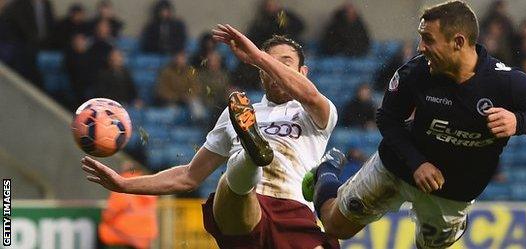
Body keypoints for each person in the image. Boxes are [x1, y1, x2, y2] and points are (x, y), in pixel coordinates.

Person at [301, 1, 526, 248]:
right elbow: (387, 118)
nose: (421, 47)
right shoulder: (415, 72)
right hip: (396, 168)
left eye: (428, 40)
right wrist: (417, 162)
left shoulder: (506, 82)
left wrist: (519, 120)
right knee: (336, 226)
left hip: (452, 194)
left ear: (458, 41)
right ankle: (327, 170)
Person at [82, 25, 340, 248]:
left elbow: (310, 96)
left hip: (294, 212)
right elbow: (188, 176)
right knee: (237, 180)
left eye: (285, 63)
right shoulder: (238, 112)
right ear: (260, 75)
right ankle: (251, 155)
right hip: (245, 209)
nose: (275, 70)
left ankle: (250, 154)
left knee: (242, 169)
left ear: (303, 73)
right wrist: (124, 185)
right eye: (269, 65)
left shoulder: (317, 111)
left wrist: (258, 57)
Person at [99, 162, 158, 249]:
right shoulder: (148, 185)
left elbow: (110, 213)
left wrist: (104, 216)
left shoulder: (123, 185)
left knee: (103, 229)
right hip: (146, 235)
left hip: (125, 235)